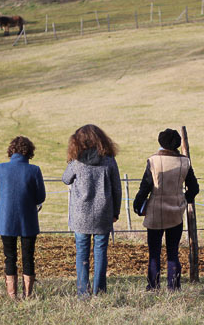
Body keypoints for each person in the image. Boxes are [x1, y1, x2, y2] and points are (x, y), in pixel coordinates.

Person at [133, 128, 199, 291]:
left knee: (154, 252)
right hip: (176, 211)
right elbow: (194, 188)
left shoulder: (153, 161)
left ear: (161, 142)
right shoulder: (185, 162)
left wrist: (138, 205)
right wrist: (185, 199)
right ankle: (174, 286)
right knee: (173, 251)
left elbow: (145, 186)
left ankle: (153, 285)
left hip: (155, 211)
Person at [62, 124, 121, 296]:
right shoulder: (109, 159)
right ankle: (99, 291)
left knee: (82, 253)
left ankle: (83, 292)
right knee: (101, 252)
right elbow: (117, 188)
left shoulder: (77, 161)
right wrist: (115, 212)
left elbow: (66, 179)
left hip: (81, 214)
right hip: (103, 213)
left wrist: (71, 164)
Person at [0, 136, 46, 299]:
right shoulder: (34, 170)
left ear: (11, 151)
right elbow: (40, 197)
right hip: (28, 219)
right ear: (29, 152)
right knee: (28, 256)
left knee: (10, 257)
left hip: (5, 220)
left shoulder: (0, 168)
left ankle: (12, 294)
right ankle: (28, 294)